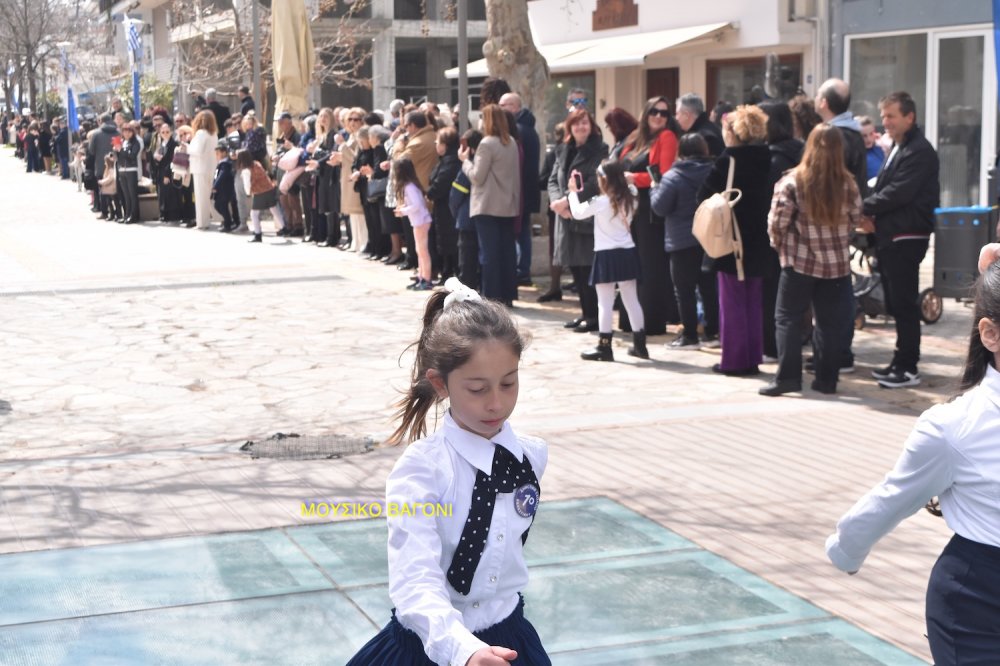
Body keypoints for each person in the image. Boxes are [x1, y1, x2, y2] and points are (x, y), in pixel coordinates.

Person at [346, 280, 550, 666]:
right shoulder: (422, 471)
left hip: (509, 639)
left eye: (508, 383)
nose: (496, 403)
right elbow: (414, 579)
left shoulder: (531, 457)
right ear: (441, 383)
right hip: (435, 645)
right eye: (477, 388)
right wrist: (463, 649)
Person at [826, 251, 1000, 664]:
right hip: (981, 606)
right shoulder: (953, 427)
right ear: (990, 334)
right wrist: (846, 550)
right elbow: (893, 497)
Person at [759, 125, 861, 397]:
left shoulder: (792, 182)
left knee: (788, 319)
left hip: (799, 262)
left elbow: (777, 223)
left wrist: (779, 246)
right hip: (837, 265)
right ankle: (827, 380)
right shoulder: (848, 184)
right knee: (829, 323)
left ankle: (788, 378)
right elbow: (855, 220)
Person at [861, 91, 940, 389]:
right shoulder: (897, 145)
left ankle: (908, 367)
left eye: (891, 116)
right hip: (890, 234)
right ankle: (899, 360)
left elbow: (900, 192)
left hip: (907, 235)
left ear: (910, 117)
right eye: (883, 116)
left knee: (904, 303)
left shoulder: (919, 150)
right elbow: (884, 185)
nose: (886, 122)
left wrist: (863, 208)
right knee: (895, 302)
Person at [697, 105, 773, 376]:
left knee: (731, 302)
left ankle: (734, 360)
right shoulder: (768, 158)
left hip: (731, 236)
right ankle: (752, 357)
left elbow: (704, 195)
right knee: (753, 301)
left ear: (732, 131)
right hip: (760, 238)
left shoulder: (729, 160)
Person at [569, 159, 647, 361]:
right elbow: (632, 186)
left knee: (604, 302)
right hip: (627, 251)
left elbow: (577, 213)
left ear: (604, 179)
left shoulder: (601, 202)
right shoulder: (632, 196)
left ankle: (605, 346)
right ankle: (640, 345)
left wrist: (572, 192)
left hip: (606, 253)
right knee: (631, 300)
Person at [618, 96, 681, 336]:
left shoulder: (667, 137)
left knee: (650, 265)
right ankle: (629, 320)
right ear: (646, 113)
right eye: (654, 111)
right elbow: (620, 162)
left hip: (648, 209)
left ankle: (651, 322)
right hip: (628, 207)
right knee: (630, 264)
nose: (658, 116)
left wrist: (635, 179)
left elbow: (662, 175)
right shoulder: (635, 137)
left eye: (664, 114)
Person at [651, 133, 719, 350]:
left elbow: (660, 207)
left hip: (681, 240)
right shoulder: (714, 171)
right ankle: (712, 332)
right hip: (709, 238)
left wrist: (654, 187)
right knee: (708, 287)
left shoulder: (673, 176)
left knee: (684, 289)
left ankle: (690, 335)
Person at [548, 107, 607, 331]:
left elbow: (594, 181)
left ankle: (593, 317)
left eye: (585, 123)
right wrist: (557, 202)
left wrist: (567, 200)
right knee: (574, 267)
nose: (581, 127)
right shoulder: (563, 149)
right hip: (565, 216)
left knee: (587, 268)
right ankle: (584, 313)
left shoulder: (600, 149)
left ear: (591, 126)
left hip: (585, 215)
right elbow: (553, 179)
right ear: (569, 127)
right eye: (576, 123)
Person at [460, 104, 521, 306]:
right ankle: (508, 294)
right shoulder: (511, 142)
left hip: (486, 205)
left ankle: (492, 296)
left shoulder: (486, 143)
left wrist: (465, 161)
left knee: (489, 254)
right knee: (506, 253)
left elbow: (477, 177)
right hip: (507, 205)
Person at [759, 100, 805, 363]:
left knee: (775, 298)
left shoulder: (773, 158)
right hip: (801, 238)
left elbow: (771, 204)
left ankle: (773, 347)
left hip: (779, 238)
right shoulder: (799, 151)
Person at [499, 92, 541, 288]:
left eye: (504, 104)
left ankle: (522, 270)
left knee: (521, 231)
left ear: (515, 107)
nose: (500, 108)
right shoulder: (526, 128)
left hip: (521, 190)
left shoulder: (520, 130)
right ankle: (522, 269)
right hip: (525, 189)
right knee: (523, 230)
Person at [428, 126, 463, 284]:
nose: (436, 145)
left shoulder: (452, 161)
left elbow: (441, 183)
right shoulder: (445, 160)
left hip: (448, 208)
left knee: (449, 240)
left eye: (438, 142)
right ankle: (446, 271)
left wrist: (430, 192)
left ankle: (450, 272)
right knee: (442, 240)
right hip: (441, 207)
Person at [394, 156, 434, 291]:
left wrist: (403, 211)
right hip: (419, 220)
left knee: (422, 251)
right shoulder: (411, 185)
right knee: (420, 250)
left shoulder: (409, 186)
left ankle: (426, 279)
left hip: (420, 221)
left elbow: (416, 205)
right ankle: (422, 277)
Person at [451, 129, 483, 291]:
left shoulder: (467, 167)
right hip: (481, 220)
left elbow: (455, 196)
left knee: (467, 261)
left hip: (466, 220)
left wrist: (456, 215)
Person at [236, 149, 286, 243]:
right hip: (269, 188)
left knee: (254, 214)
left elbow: (247, 184)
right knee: (274, 209)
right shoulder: (257, 164)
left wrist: (248, 194)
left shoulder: (246, 170)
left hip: (259, 192)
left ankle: (258, 234)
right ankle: (284, 228)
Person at [189, 110, 220, 230]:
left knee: (201, 197)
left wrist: (187, 148)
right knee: (209, 196)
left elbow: (198, 151)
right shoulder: (214, 134)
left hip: (200, 168)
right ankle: (219, 218)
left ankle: (202, 223)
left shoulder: (201, 133)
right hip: (211, 167)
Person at [675, 93, 725, 158]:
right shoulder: (710, 129)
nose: (676, 118)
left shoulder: (705, 138)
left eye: (677, 113)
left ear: (686, 115)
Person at [151, 123, 180, 222]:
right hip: (160, 172)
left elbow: (173, 159)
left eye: (167, 132)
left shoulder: (174, 144)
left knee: (170, 194)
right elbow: (155, 160)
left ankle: (171, 215)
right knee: (161, 194)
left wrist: (167, 174)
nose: (165, 134)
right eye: (163, 132)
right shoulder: (160, 144)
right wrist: (155, 158)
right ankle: (163, 214)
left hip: (169, 171)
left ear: (171, 132)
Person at [115, 122, 143, 224]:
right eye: (124, 131)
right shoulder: (122, 141)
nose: (126, 134)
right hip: (122, 170)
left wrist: (121, 150)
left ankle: (134, 215)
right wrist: (115, 151)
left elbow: (132, 156)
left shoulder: (135, 142)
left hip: (131, 170)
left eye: (129, 131)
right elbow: (119, 156)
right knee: (125, 194)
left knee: (132, 194)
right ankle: (127, 214)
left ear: (132, 132)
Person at [212, 140, 239, 232]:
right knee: (217, 205)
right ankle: (229, 221)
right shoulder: (221, 163)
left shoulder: (226, 163)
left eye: (218, 153)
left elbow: (221, 176)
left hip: (225, 189)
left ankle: (228, 224)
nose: (216, 155)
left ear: (224, 153)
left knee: (221, 205)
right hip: (221, 189)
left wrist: (215, 186)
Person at [857, 115, 885, 182]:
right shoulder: (855, 156)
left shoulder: (880, 149)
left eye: (871, 134)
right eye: (864, 136)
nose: (868, 139)